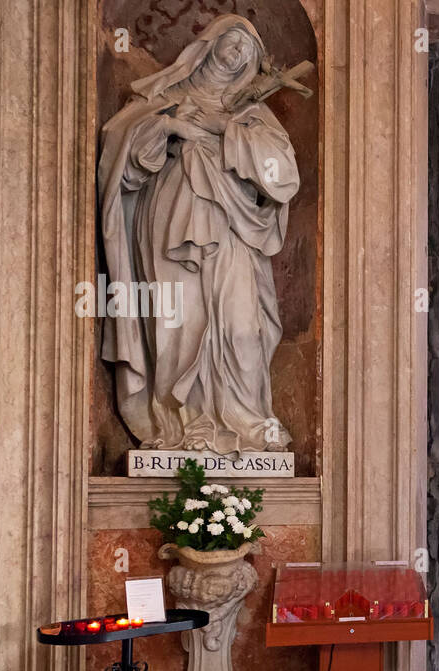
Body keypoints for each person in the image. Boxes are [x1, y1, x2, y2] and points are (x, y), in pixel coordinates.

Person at [99, 15, 299, 454]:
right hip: (171, 222)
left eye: (248, 52)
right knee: (179, 321)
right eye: (232, 43)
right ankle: (185, 424)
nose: (237, 55)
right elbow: (120, 155)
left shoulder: (252, 112)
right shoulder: (167, 98)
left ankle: (247, 421)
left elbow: (282, 176)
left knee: (243, 326)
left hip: (233, 230)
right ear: (208, 45)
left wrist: (224, 130)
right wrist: (170, 127)